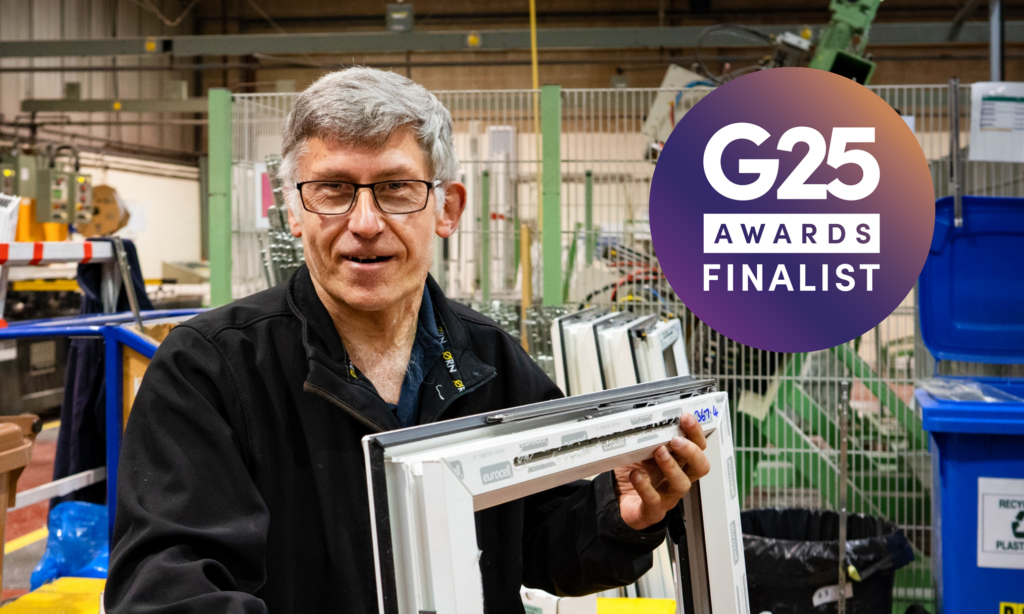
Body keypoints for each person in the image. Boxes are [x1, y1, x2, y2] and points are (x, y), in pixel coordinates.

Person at [105, 67, 710, 614]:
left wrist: (620, 512)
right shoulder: (211, 369)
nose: (365, 224)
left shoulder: (488, 359)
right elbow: (167, 588)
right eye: (333, 189)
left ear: (447, 209)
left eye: (396, 188)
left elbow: (541, 538)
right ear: (294, 211)